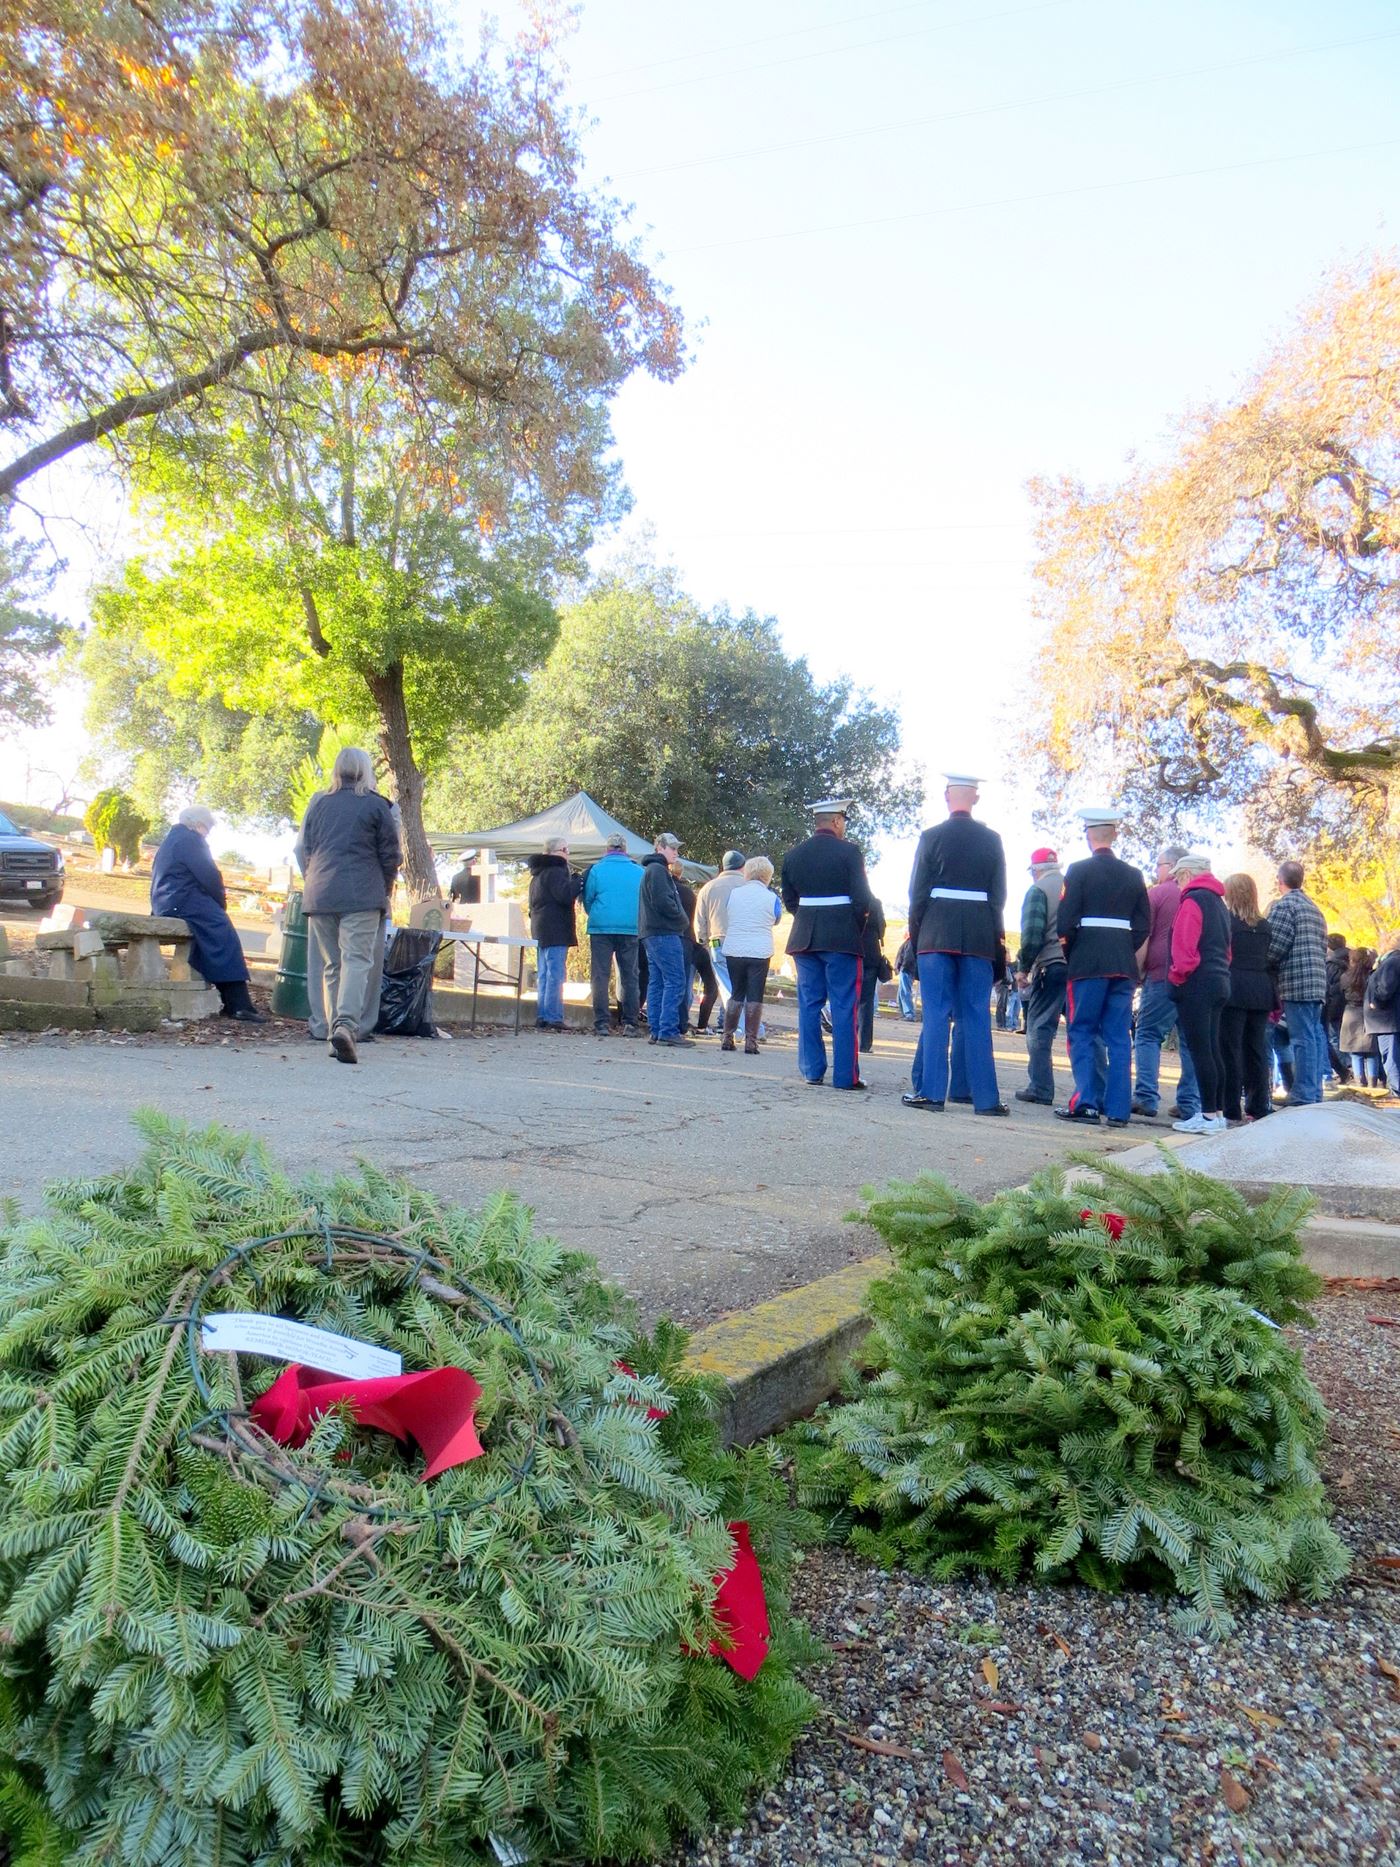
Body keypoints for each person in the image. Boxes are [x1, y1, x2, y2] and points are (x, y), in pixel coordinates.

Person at [903, 773, 1008, 1116]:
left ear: (946, 796)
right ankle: (986, 1100)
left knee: (935, 1012)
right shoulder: (992, 840)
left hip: (936, 931)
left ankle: (931, 1094)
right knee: (977, 1014)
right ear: (975, 798)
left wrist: (917, 935)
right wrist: (996, 941)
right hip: (979, 934)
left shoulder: (931, 837)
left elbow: (917, 894)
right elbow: (999, 898)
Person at [298, 747, 400, 1065]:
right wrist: (384, 890)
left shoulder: (319, 803)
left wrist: (313, 879)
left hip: (320, 895)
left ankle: (333, 1033)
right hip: (362, 895)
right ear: (366, 771)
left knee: (332, 966)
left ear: (337, 770)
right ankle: (345, 1026)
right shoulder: (376, 805)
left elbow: (304, 848)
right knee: (357, 960)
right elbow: (390, 855)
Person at [1055, 808, 1150, 1126]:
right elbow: (1143, 924)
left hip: (1087, 963)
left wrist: (1076, 951)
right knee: (1119, 1036)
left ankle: (1087, 1103)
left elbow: (1065, 922)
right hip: (1122, 964)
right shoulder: (1134, 874)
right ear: (1114, 835)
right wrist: (1124, 948)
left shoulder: (1079, 871)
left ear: (1088, 835)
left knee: (1081, 1031)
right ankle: (1119, 1109)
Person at [779, 796, 875, 1090]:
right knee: (844, 1005)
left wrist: (810, 919)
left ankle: (811, 1070)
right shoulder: (850, 853)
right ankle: (846, 1077)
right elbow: (862, 900)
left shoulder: (794, 855)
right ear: (836, 821)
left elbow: (791, 901)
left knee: (809, 1004)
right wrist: (853, 927)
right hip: (842, 937)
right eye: (843, 821)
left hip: (805, 937)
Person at [149, 806, 265, 1023]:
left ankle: (234, 1001)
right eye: (208, 828)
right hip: (181, 901)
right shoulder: (190, 840)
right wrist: (220, 904)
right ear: (198, 825)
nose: (207, 833)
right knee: (222, 930)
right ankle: (237, 1004)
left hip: (167, 901)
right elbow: (210, 876)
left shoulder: (173, 838)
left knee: (215, 929)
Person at [1131, 844, 1200, 1122]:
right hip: (1194, 978)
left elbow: (1144, 937)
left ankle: (1146, 1096)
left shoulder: (1157, 894)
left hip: (1161, 974)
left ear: (1170, 867)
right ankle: (1188, 1101)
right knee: (1190, 1041)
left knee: (1148, 1034)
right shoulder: (1198, 896)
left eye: (1158, 865)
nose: (1155, 870)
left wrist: (1138, 972)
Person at [1166, 853, 1230, 1134]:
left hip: (1196, 982)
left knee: (1199, 1050)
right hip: (1220, 979)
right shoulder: (1219, 903)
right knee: (1213, 1049)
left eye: (1179, 878)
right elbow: (1228, 949)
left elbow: (1184, 945)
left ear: (1188, 875)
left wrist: (1177, 975)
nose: (1178, 884)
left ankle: (1206, 1116)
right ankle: (1216, 1113)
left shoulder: (1192, 900)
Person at [1266, 860, 1329, 1106]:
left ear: (1279, 881)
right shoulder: (1314, 909)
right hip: (1316, 981)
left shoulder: (1286, 906)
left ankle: (1303, 1093)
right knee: (1313, 1038)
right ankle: (1313, 1091)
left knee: (1302, 1039)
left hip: (1296, 981)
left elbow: (1275, 946)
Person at [1219, 871, 1274, 1124]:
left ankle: (1230, 1106)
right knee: (1256, 1050)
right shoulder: (1264, 925)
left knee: (1230, 1049)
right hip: (1260, 988)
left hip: (1234, 987)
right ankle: (1259, 1104)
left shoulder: (1228, 922)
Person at [1013, 847, 1066, 1106]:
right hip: (1077, 968)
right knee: (1086, 1032)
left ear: (1036, 870)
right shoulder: (1071, 887)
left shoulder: (1038, 891)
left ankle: (1041, 1087)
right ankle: (1096, 1094)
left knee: (1038, 1028)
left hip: (1051, 966)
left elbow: (1032, 934)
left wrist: (1023, 967)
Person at [582, 832, 643, 1037]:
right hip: (630, 927)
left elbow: (588, 898)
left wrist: (597, 914)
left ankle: (601, 1024)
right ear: (625, 850)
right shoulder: (638, 871)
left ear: (607, 849)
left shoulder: (597, 870)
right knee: (630, 976)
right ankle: (630, 1023)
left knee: (600, 975)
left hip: (601, 927)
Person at [720, 857, 782, 1053]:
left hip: (734, 948)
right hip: (759, 951)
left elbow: (729, 912)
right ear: (767, 875)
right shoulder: (771, 898)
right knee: (755, 995)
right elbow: (777, 919)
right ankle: (751, 1041)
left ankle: (727, 1037)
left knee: (736, 993)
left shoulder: (734, 894)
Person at [638, 832, 692, 1048]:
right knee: (676, 980)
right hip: (663, 932)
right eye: (672, 848)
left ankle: (658, 1030)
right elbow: (663, 901)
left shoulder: (652, 870)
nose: (676, 852)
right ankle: (668, 1030)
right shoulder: (658, 871)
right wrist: (682, 919)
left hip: (652, 932)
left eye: (677, 848)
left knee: (658, 981)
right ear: (659, 847)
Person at [526, 836, 581, 1032]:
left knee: (543, 974)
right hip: (556, 929)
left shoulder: (537, 874)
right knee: (555, 974)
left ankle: (542, 1014)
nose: (567, 853)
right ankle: (553, 1016)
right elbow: (565, 895)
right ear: (554, 852)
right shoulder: (557, 871)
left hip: (540, 928)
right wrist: (577, 881)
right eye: (565, 849)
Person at [669, 853, 719, 1036]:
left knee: (679, 984)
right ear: (681, 874)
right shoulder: (689, 894)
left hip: (674, 939)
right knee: (710, 984)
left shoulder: (665, 889)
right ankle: (701, 1023)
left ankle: (678, 1022)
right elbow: (697, 920)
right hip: (693, 941)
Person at [695, 850, 747, 1002]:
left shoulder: (708, 888)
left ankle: (733, 1023)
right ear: (742, 866)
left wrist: (703, 941)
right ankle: (742, 1024)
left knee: (726, 987)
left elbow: (699, 920)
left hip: (718, 941)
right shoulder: (749, 886)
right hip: (745, 942)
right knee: (741, 986)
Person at [1364, 930, 1400, 1097]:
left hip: (1387, 1019)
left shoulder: (1392, 962)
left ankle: (1397, 1091)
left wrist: (1375, 1002)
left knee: (1390, 1058)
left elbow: (1386, 987)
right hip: (1389, 1019)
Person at [1341, 948, 1381, 1086]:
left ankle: (1359, 1081)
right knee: (1372, 1052)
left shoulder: (1345, 977)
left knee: (1355, 1051)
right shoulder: (1373, 976)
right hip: (1371, 1014)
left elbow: (1339, 995)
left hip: (1351, 1014)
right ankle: (1373, 1082)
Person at [858, 897, 889, 1053]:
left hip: (852, 951)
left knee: (847, 997)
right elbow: (881, 929)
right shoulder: (875, 903)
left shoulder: (851, 898)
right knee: (867, 1001)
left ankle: (846, 1039)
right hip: (871, 953)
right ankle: (864, 1043)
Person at [1324, 933, 1352, 1085]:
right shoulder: (1351, 959)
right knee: (1342, 1038)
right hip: (1348, 1005)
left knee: (1332, 1038)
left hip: (1333, 1006)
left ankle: (1341, 1069)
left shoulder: (1331, 963)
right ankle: (1346, 1067)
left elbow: (1330, 987)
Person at [894, 938, 919, 1020]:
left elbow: (908, 957)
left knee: (905, 992)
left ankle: (909, 1013)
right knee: (902, 992)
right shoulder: (909, 942)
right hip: (906, 969)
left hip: (906, 970)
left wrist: (902, 967)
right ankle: (905, 1013)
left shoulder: (910, 942)